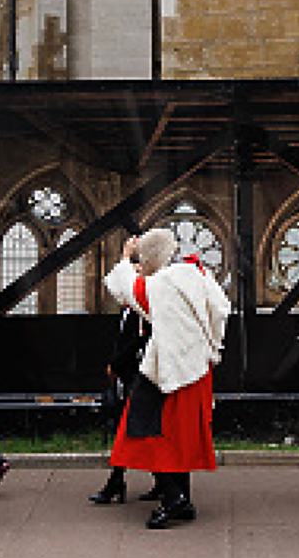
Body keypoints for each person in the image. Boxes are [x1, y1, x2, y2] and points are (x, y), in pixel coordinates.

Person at [102, 227, 230, 530]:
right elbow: (220, 311)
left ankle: (174, 500)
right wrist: (208, 346)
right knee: (180, 439)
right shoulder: (198, 276)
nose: (141, 267)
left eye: (143, 260)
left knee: (156, 434)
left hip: (171, 372)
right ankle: (181, 498)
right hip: (196, 368)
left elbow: (129, 291)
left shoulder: (163, 283)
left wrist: (123, 259)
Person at [92, 234, 152, 506]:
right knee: (132, 432)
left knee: (132, 432)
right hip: (130, 376)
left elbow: (133, 344)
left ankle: (116, 483)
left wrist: (116, 365)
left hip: (137, 377)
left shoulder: (140, 308)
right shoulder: (131, 309)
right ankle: (122, 482)